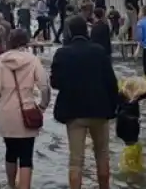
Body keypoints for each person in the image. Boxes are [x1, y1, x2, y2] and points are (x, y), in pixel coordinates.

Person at [50, 16, 118, 189]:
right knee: (102, 155)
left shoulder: (62, 53)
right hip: (100, 110)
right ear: (86, 30)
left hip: (74, 112)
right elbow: (111, 82)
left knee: (76, 160)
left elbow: (55, 83)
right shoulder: (99, 51)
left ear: (70, 32)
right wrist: (113, 107)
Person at [0, 29, 50, 189]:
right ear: (26, 42)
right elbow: (45, 87)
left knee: (10, 153)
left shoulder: (2, 61)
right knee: (26, 156)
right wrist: (42, 107)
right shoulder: (33, 60)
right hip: (28, 114)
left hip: (7, 115)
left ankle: (12, 186)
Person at [116, 76, 146, 173]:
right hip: (129, 136)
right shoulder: (127, 104)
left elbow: (144, 95)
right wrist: (133, 119)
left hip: (133, 136)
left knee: (136, 152)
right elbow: (121, 115)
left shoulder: (128, 98)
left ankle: (135, 171)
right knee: (130, 166)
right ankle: (131, 174)